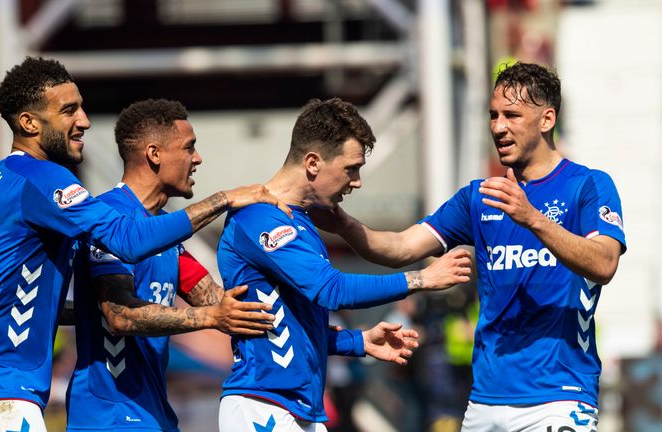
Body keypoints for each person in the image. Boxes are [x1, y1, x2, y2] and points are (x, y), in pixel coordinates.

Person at [0, 57, 289, 432]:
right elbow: (127, 245)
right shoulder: (43, 179)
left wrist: (342, 337)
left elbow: (16, 293)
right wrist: (223, 200)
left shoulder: (0, 180)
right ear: (29, 123)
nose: (84, 120)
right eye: (69, 110)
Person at [313, 62, 626, 431]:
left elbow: (604, 263)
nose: (498, 126)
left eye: (512, 115)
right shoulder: (479, 197)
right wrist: (344, 225)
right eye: (493, 115)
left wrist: (533, 218)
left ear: (547, 120)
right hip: (485, 402)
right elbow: (399, 247)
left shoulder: (588, 186)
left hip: (559, 396)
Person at [216, 97, 473, 431]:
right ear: (312, 163)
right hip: (260, 405)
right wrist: (420, 279)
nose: (357, 182)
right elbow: (331, 288)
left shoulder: (304, 222)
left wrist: (359, 341)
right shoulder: (258, 218)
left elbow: (296, 324)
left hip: (298, 408)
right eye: (351, 169)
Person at [65, 98, 286, 431]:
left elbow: (219, 301)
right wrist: (224, 199)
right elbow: (120, 315)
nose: (197, 159)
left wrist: (345, 335)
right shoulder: (109, 219)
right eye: (189, 148)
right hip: (109, 417)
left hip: (154, 415)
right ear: (154, 154)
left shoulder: (164, 232)